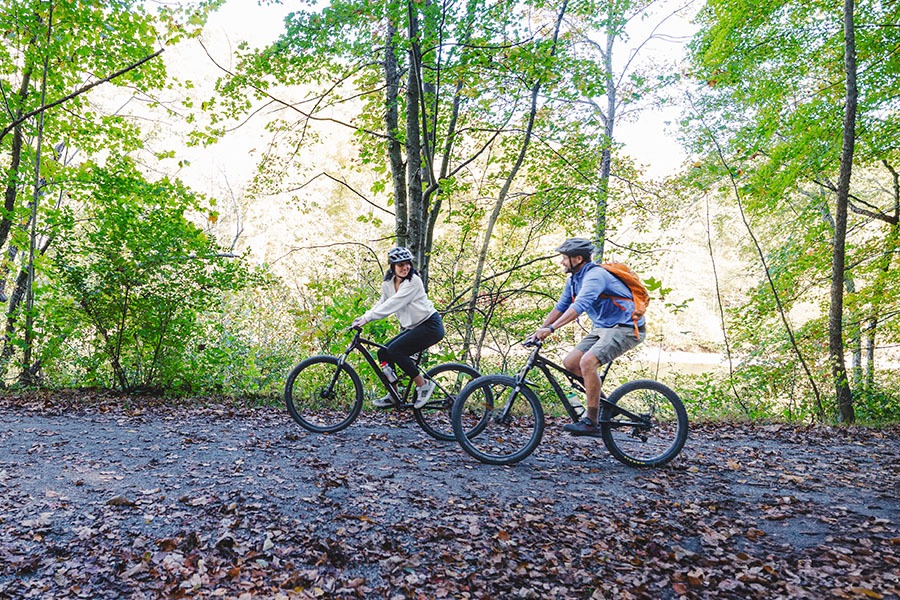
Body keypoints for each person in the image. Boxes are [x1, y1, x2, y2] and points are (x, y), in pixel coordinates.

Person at [530, 238, 646, 436]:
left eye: (565, 258)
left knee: (587, 362)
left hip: (626, 327)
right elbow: (561, 307)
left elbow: (579, 307)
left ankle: (592, 422)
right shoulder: (574, 280)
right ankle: (604, 410)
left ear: (578, 258)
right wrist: (539, 330)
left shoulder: (595, 276)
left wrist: (551, 330)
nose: (562, 262)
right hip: (603, 327)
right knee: (571, 363)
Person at [351, 246, 445, 409]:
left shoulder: (413, 281)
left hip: (430, 325)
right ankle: (394, 394)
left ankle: (423, 385)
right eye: (400, 264)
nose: (405, 267)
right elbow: (383, 302)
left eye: (407, 263)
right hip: (416, 327)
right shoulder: (388, 283)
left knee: (396, 350)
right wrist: (364, 316)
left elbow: (394, 304)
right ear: (392, 266)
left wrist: (368, 318)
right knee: (383, 352)